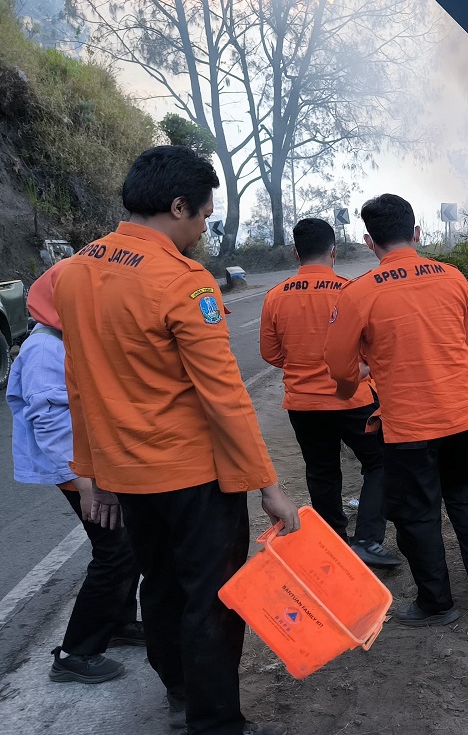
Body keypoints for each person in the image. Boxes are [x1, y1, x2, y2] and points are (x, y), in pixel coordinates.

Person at [53, 144, 299, 735]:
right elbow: (224, 397)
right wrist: (268, 486)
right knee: (211, 600)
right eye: (203, 216)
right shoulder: (182, 281)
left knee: (159, 589)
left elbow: (79, 381)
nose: (204, 227)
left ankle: (181, 693)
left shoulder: (75, 271)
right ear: (178, 204)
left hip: (127, 478)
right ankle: (214, 722)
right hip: (194, 478)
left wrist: (92, 474)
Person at [324, 193, 468, 628]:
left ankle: (437, 604)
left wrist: (361, 380)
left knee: (416, 513)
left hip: (408, 424)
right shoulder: (453, 277)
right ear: (417, 232)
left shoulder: (358, 293)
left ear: (370, 242)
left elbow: (339, 370)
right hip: (462, 412)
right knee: (464, 495)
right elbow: (466, 344)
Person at [7, 262, 144, 686]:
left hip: (88, 464)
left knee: (127, 545)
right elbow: (50, 422)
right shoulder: (45, 348)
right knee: (115, 551)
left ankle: (118, 623)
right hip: (74, 470)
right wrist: (85, 484)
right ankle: (75, 652)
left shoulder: (63, 338)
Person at [260, 218, 400, 569]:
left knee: (321, 471)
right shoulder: (349, 290)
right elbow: (372, 347)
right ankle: (367, 539)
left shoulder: (275, 297)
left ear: (296, 252)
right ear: (333, 251)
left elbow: (271, 354)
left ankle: (334, 543)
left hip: (303, 404)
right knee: (379, 461)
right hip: (352, 398)